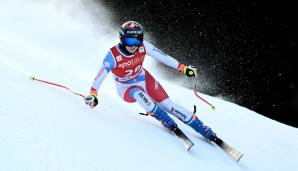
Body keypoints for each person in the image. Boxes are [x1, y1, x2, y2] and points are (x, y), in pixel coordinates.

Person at [85, 21, 217, 141]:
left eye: (137, 41)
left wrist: (183, 68)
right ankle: (165, 120)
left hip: (143, 78)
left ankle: (201, 127)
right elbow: (99, 76)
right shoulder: (113, 56)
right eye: (130, 41)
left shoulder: (144, 47)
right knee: (138, 93)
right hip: (126, 88)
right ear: (122, 39)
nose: (134, 46)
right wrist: (93, 94)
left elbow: (163, 57)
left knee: (168, 105)